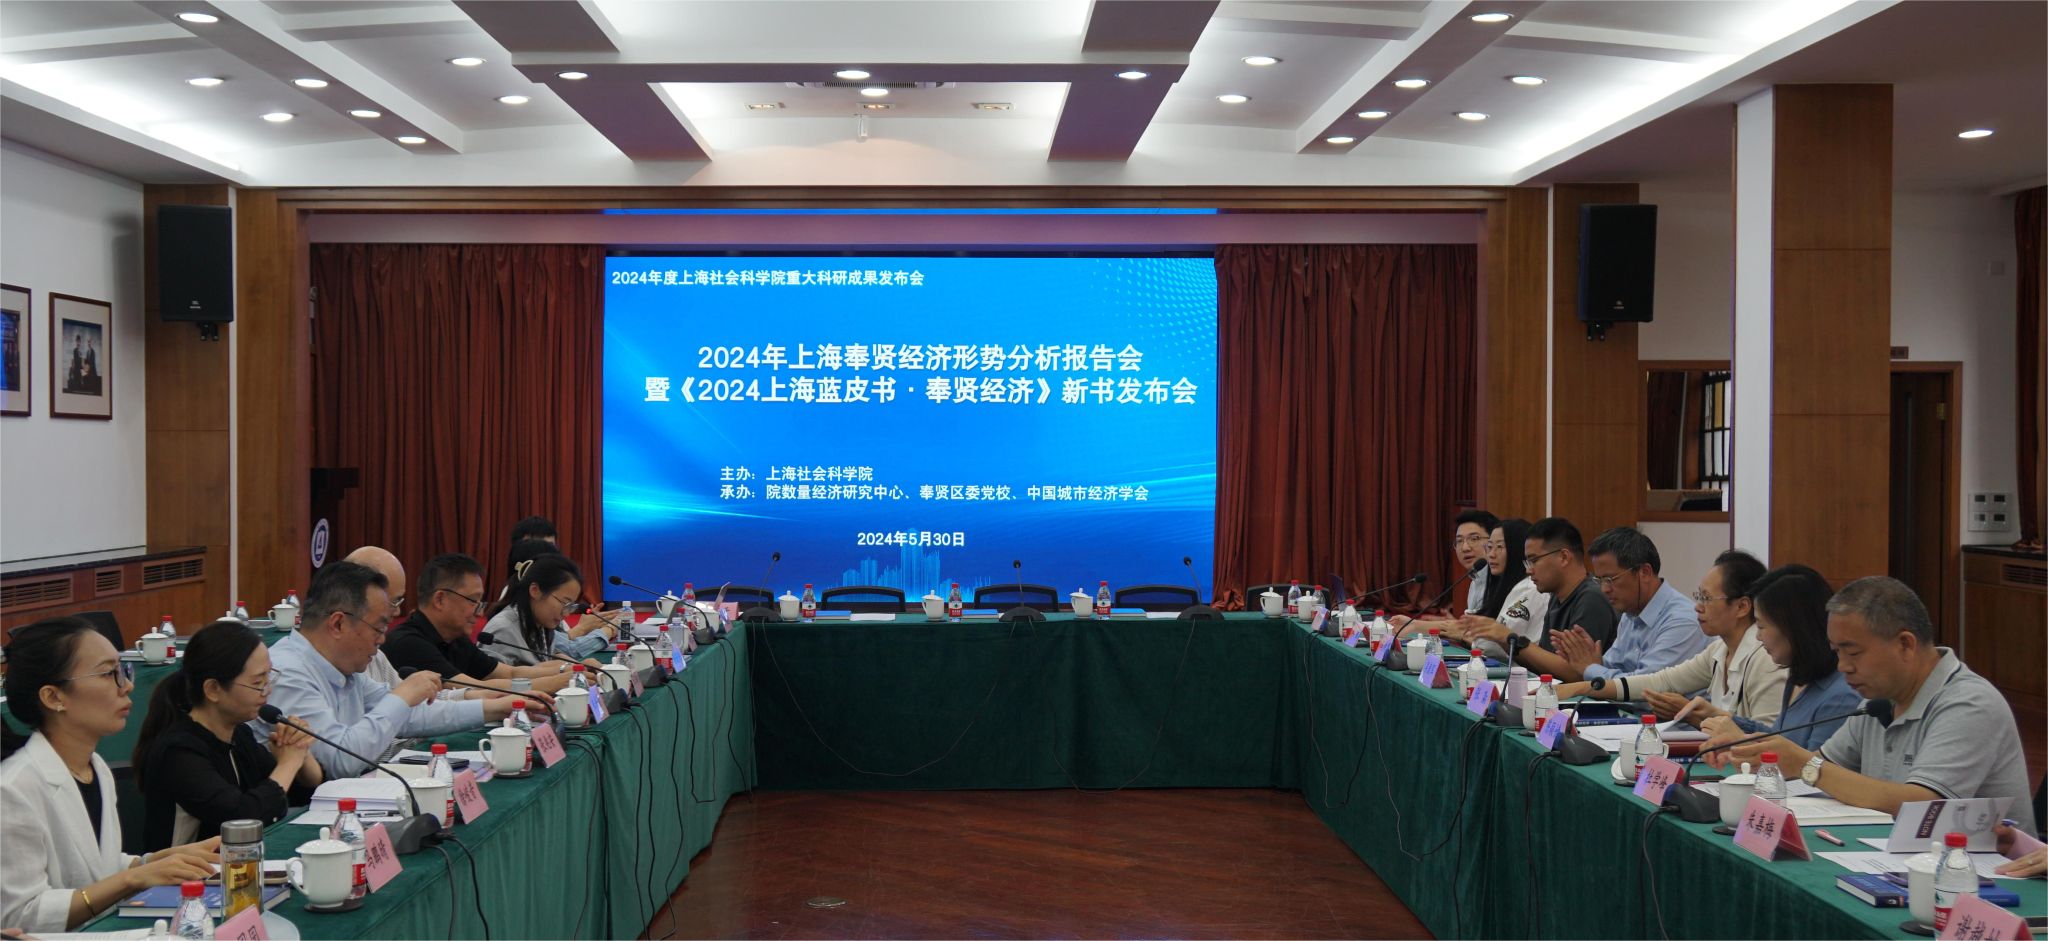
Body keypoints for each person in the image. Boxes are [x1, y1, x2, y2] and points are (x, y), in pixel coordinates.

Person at [1711, 576, 2035, 834]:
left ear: (1905, 644)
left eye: (1853, 653)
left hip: (1986, 877)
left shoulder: (1969, 704)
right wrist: (1752, 753)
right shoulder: (1877, 702)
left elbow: (1922, 804)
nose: (1843, 667)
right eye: (1836, 652)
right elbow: (1821, 767)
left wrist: (1805, 765)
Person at [1, 618, 219, 932]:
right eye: (108, 674)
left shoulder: (95, 767)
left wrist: (154, 861)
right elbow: (20, 915)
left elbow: (95, 866)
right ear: (53, 697)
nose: (127, 686)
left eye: (123, 670)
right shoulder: (12, 790)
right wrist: (132, 878)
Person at [254, 561, 528, 776]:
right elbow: (341, 759)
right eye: (379, 627)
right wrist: (402, 695)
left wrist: (496, 708)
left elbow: (410, 717)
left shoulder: (342, 667)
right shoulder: (287, 673)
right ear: (338, 624)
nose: (383, 639)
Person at [133, 620, 325, 851]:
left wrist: (300, 751)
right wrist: (288, 763)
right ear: (213, 689)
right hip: (186, 872)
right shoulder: (178, 752)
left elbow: (293, 794)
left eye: (269, 677)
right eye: (258, 682)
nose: (267, 690)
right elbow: (243, 819)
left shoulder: (239, 734)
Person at [1555, 550, 1784, 726]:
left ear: (1742, 606)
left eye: (1706, 598)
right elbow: (1658, 681)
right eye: (1698, 596)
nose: (1697, 607)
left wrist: (1693, 716)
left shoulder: (1765, 659)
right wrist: (1580, 688)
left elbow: (1769, 741)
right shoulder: (1718, 651)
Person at [1697, 564, 1863, 757]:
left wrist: (1742, 741)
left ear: (1793, 628)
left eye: (1761, 626)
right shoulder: (1799, 677)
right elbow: (1780, 739)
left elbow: (1813, 770)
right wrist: (1726, 724)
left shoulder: (1840, 698)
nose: (1758, 637)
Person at [381, 553, 580, 695]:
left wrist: (570, 670)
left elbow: (510, 673)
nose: (480, 611)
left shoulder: (455, 638)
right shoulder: (409, 643)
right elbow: (477, 689)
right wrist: (555, 682)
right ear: (440, 599)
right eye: (473, 600)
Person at [1545, 527, 1705, 685]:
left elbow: (1645, 687)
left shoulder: (1681, 620)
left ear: (1644, 572)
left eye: (1610, 579)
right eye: (1600, 580)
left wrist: (1590, 668)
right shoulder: (1631, 612)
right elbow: (1612, 667)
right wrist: (1589, 659)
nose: (1604, 589)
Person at [1468, 517, 1617, 681]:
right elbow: (1544, 665)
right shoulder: (1556, 597)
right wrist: (1504, 640)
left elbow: (1577, 673)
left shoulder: (1591, 599)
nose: (1529, 570)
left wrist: (1512, 639)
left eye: (1534, 560)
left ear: (1564, 557)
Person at [343, 546, 492, 703]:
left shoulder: (376, 657)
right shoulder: (405, 642)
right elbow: (396, 706)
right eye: (393, 601)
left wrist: (475, 699)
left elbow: (406, 702)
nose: (397, 611)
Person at [481, 553, 618, 666]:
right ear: (535, 590)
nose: (566, 614)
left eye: (570, 606)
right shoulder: (503, 629)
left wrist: (579, 667)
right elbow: (494, 683)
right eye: (564, 603)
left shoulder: (539, 622)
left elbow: (551, 657)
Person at [1452, 509, 1499, 616]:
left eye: (1474, 539)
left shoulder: (1502, 581)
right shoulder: (1476, 580)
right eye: (1459, 541)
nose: (1465, 548)